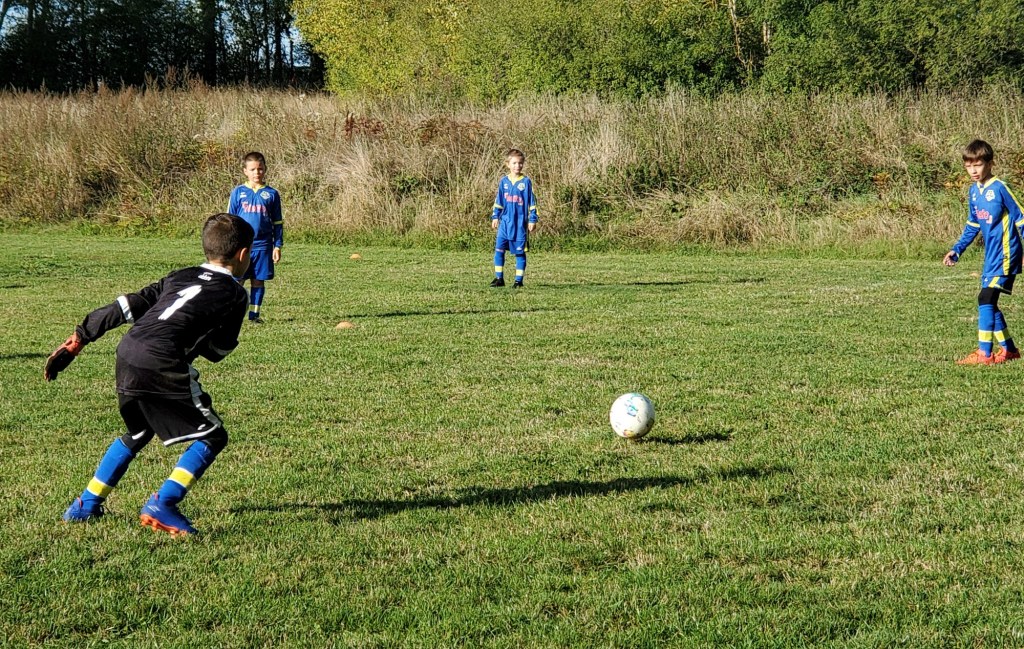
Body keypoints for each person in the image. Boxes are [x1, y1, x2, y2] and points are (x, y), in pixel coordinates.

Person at [46, 213, 253, 536]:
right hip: (162, 360)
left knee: (140, 431)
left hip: (129, 351)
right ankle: (164, 503)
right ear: (243, 254)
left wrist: (80, 338)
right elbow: (218, 351)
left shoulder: (180, 275)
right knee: (213, 436)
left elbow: (127, 305)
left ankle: (86, 504)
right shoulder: (236, 294)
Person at [944, 139, 1024, 365]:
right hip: (991, 256)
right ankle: (1010, 350)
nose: (973, 170)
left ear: (990, 164)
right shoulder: (974, 191)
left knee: (986, 298)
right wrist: (957, 249)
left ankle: (984, 354)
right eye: (968, 166)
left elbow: (1021, 218)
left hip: (1007, 253)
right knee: (990, 301)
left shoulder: (1000, 188)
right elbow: (973, 225)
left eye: (977, 165)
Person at [227, 151, 283, 322]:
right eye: (252, 169)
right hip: (242, 245)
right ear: (245, 171)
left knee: (258, 281)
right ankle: (232, 315)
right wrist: (231, 243)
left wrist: (277, 245)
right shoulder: (238, 192)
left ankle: (254, 315)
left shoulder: (272, 194)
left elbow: (277, 222)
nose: (256, 173)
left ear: (265, 169)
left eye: (260, 169)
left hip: (263, 245)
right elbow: (230, 220)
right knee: (238, 280)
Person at [489, 148, 538, 288]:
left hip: (519, 225)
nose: (518, 166)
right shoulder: (504, 181)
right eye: (514, 163)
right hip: (505, 223)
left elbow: (532, 202)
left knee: (520, 253)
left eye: (520, 163)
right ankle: (499, 278)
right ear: (508, 164)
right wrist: (495, 216)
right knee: (499, 249)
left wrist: (533, 219)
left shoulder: (526, 182)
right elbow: (499, 201)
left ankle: (518, 280)